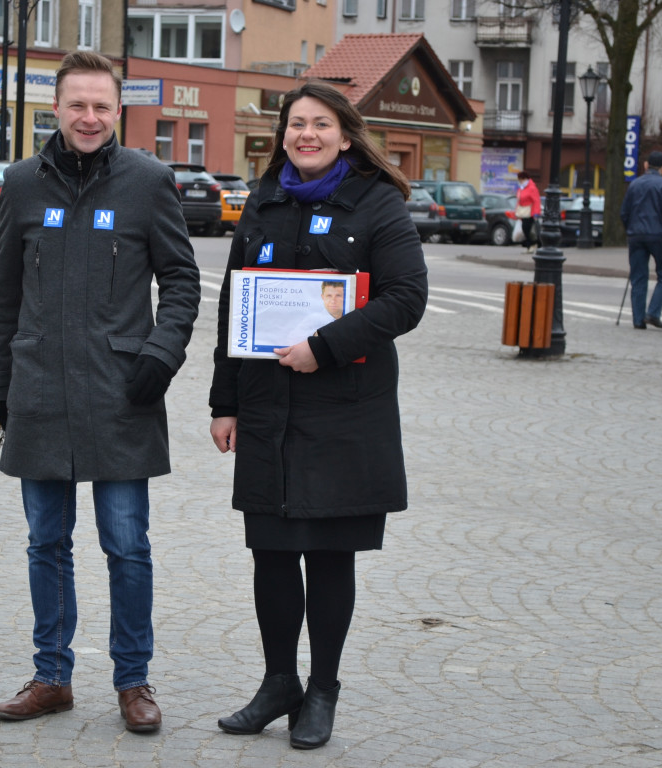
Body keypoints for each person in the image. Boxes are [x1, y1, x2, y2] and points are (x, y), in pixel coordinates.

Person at [0, 51, 200, 733]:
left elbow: (183, 284)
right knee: (46, 541)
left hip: (121, 394)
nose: (89, 117)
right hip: (39, 390)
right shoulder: (21, 184)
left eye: (101, 106)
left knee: (126, 543)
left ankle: (133, 680)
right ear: (57, 107)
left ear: (117, 110)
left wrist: (160, 356)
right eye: (77, 104)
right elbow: (4, 296)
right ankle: (51, 676)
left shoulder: (149, 182)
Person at [208, 81, 428, 750]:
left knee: (331, 555)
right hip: (269, 410)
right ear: (282, 134)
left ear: (344, 132)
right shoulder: (263, 202)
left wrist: (323, 347)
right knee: (271, 554)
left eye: (320, 124)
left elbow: (406, 299)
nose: (306, 134)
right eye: (295, 124)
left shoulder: (376, 204)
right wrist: (225, 402)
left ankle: (322, 689)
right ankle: (280, 683)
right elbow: (232, 305)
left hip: (344, 412)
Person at [620, 150, 662, 330]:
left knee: (638, 277)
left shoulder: (635, 184)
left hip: (636, 235)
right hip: (658, 235)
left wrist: (630, 229)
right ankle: (652, 312)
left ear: (646, 165)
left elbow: (624, 212)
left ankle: (638, 320)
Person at [515, 170, 541, 253]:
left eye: (521, 180)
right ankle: (530, 246)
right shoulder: (521, 188)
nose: (520, 182)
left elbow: (536, 201)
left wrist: (536, 213)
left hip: (530, 212)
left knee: (529, 230)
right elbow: (519, 201)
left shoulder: (532, 188)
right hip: (523, 212)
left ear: (525, 179)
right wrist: (516, 212)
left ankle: (533, 245)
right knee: (525, 229)